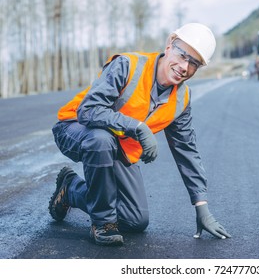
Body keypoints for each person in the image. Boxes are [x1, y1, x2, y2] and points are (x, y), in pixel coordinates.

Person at [48, 23, 231, 246]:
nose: (184, 66)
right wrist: (137, 127)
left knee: (134, 220)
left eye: (194, 63)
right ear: (170, 43)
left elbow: (187, 150)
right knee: (101, 140)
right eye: (183, 55)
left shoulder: (181, 99)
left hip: (117, 148)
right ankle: (103, 224)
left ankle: (71, 188)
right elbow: (88, 110)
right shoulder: (128, 66)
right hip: (75, 128)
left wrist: (201, 206)